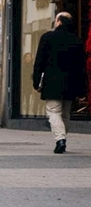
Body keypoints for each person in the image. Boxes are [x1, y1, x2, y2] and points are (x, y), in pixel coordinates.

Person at [33, 12, 88, 154]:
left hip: (52, 82)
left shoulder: (47, 38)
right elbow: (82, 67)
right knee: (65, 114)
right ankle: (62, 138)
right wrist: (82, 88)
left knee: (53, 111)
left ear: (59, 22)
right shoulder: (77, 40)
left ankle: (60, 139)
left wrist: (36, 80)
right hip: (71, 83)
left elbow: (39, 61)